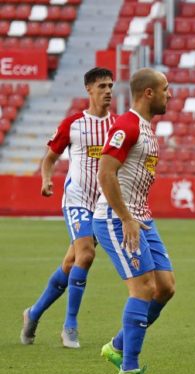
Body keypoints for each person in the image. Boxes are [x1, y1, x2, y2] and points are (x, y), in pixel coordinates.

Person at [21, 67, 116, 348]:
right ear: (89, 89)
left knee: (71, 263)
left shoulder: (118, 126)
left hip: (102, 203)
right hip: (77, 199)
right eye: (102, 86)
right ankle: (70, 326)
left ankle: (33, 313)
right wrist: (46, 179)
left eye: (110, 86)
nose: (108, 91)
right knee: (86, 255)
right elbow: (50, 158)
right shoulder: (73, 124)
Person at [93, 68, 174, 374]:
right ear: (148, 93)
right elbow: (105, 173)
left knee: (165, 287)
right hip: (117, 219)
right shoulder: (126, 126)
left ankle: (117, 346)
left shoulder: (145, 129)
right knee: (143, 288)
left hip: (141, 218)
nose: (170, 94)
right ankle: (129, 371)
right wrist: (125, 217)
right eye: (165, 89)